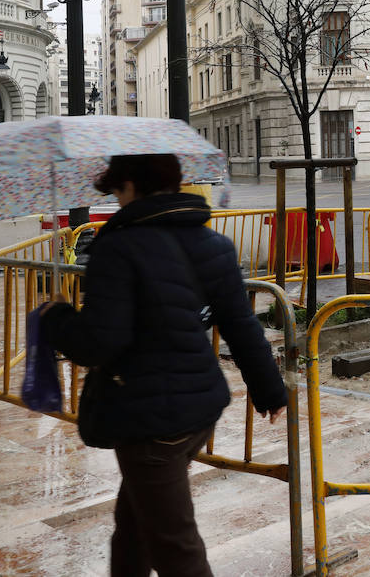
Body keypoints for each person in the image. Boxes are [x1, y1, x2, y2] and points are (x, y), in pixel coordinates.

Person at [40, 154, 287, 577]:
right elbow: (242, 326)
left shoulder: (117, 247)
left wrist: (55, 317)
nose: (117, 201)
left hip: (151, 420)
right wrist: (269, 391)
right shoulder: (213, 243)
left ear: (132, 186)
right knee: (135, 525)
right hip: (198, 411)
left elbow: (99, 342)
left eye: (117, 191)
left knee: (175, 547)